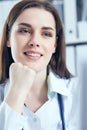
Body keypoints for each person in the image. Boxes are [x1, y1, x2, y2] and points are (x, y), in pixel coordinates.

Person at [0, 0, 79, 130]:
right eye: (24, 31)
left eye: (46, 34)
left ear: (55, 45)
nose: (35, 41)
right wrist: (16, 93)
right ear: (8, 38)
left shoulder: (77, 93)